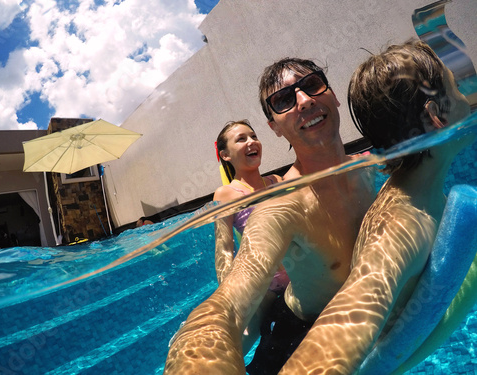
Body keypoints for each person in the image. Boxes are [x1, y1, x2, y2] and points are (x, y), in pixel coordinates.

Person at [164, 57, 375, 374]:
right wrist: (212, 321)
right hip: (280, 303)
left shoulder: (360, 169)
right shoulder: (264, 200)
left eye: (312, 85)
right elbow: (226, 257)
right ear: (275, 126)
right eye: (284, 100)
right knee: (243, 335)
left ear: (332, 93)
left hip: (295, 283)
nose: (304, 101)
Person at [279, 40, 473, 374]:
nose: (466, 98)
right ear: (435, 116)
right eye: (456, 88)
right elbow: (340, 332)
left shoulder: (416, 191)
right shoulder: (400, 228)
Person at [213, 120, 285, 354]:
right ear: (225, 155)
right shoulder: (226, 194)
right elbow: (224, 248)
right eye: (241, 139)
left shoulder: (277, 181)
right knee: (239, 343)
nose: (251, 142)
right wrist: (230, 298)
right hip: (265, 286)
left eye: (253, 136)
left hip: (299, 276)